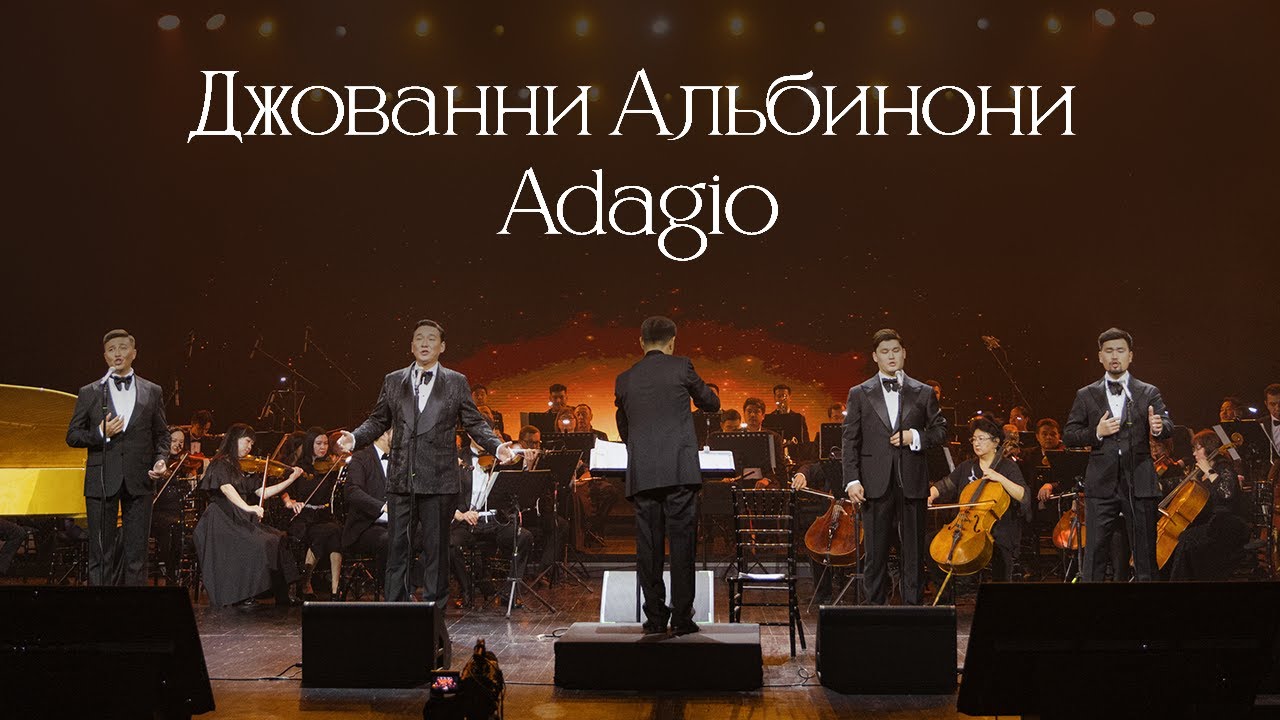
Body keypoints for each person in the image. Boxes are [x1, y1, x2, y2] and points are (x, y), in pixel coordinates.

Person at [337, 319, 513, 655]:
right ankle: (395, 621)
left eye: (431, 339)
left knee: (436, 552)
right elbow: (378, 419)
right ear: (411, 345)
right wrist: (355, 438)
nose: (424, 343)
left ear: (442, 346)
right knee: (397, 550)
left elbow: (474, 421)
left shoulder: (456, 382)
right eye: (419, 338)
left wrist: (496, 446)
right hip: (402, 479)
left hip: (439, 480)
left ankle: (433, 625)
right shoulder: (394, 380)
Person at [615, 316, 719, 634]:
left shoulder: (624, 378)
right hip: (679, 471)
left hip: (643, 474)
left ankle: (656, 618)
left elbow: (623, 425)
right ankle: (682, 618)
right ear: (673, 341)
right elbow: (711, 403)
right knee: (682, 545)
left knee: (648, 549)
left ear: (641, 342)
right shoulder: (682, 366)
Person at [842, 328, 947, 605]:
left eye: (896, 351)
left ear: (904, 354)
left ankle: (913, 610)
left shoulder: (923, 392)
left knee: (913, 552)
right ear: (875, 356)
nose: (891, 356)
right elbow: (850, 440)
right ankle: (875, 611)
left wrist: (916, 437)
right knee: (875, 553)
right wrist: (852, 480)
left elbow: (940, 431)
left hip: (912, 481)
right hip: (874, 484)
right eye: (885, 352)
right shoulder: (859, 393)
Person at [1063, 327, 1173, 582]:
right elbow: (1069, 435)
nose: (1115, 356)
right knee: (1094, 556)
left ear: (1130, 356)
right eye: (1109, 351)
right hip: (1101, 484)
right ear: (1100, 356)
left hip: (1139, 482)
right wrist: (1096, 432)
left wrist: (1159, 427)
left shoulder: (1148, 391)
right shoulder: (1086, 394)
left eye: (1120, 351)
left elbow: (1167, 424)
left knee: (1145, 557)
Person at [65, 329, 171, 586]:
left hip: (140, 479)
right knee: (100, 554)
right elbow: (73, 435)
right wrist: (101, 433)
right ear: (105, 357)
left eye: (123, 347)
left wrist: (161, 459)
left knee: (137, 554)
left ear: (134, 353)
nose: (117, 353)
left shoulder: (152, 390)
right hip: (102, 479)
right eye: (111, 350)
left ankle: (134, 607)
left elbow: (162, 435)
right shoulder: (90, 391)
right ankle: (100, 607)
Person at [193, 423, 304, 606]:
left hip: (239, 519)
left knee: (278, 538)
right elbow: (226, 488)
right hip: (221, 520)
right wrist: (248, 508)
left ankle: (282, 595)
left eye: (252, 443)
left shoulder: (242, 467)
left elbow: (263, 492)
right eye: (247, 441)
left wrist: (290, 480)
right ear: (234, 439)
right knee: (261, 543)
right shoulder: (220, 463)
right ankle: (245, 593)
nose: (249, 447)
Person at [929, 418, 1031, 581]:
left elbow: (1023, 495)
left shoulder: (1008, 467)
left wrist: (999, 477)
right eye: (974, 439)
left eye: (981, 439)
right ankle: (948, 592)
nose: (976, 443)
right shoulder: (967, 466)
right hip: (965, 525)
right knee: (930, 543)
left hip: (998, 527)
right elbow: (945, 484)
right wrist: (931, 494)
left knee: (1000, 549)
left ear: (996, 442)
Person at [1165, 430, 1250, 580]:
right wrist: (1160, 485)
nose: (1194, 453)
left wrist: (1209, 471)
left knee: (1186, 540)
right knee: (1180, 537)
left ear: (1209, 448)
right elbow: (1180, 482)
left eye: (1198, 449)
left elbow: (1227, 493)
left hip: (1227, 525)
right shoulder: (1199, 472)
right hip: (1209, 523)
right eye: (1194, 449)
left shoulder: (1223, 467)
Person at [284, 427, 344, 599]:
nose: (323, 447)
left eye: (325, 443)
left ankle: (335, 588)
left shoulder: (331, 467)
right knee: (327, 532)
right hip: (304, 516)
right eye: (318, 443)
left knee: (336, 532)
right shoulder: (299, 467)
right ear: (310, 444)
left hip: (323, 514)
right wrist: (289, 502)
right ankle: (306, 581)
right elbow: (284, 489)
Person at [342, 428, 392, 587]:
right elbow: (352, 491)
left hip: (397, 523)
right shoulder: (361, 457)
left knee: (436, 535)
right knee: (390, 540)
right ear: (383, 434)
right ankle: (390, 589)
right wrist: (382, 506)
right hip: (367, 525)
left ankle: (411, 584)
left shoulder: (402, 458)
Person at [742, 397, 787, 484]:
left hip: (765, 479)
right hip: (739, 479)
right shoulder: (736, 435)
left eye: (756, 412)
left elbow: (779, 467)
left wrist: (768, 479)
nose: (752, 415)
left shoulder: (773, 437)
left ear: (763, 416)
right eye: (749, 411)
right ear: (744, 414)